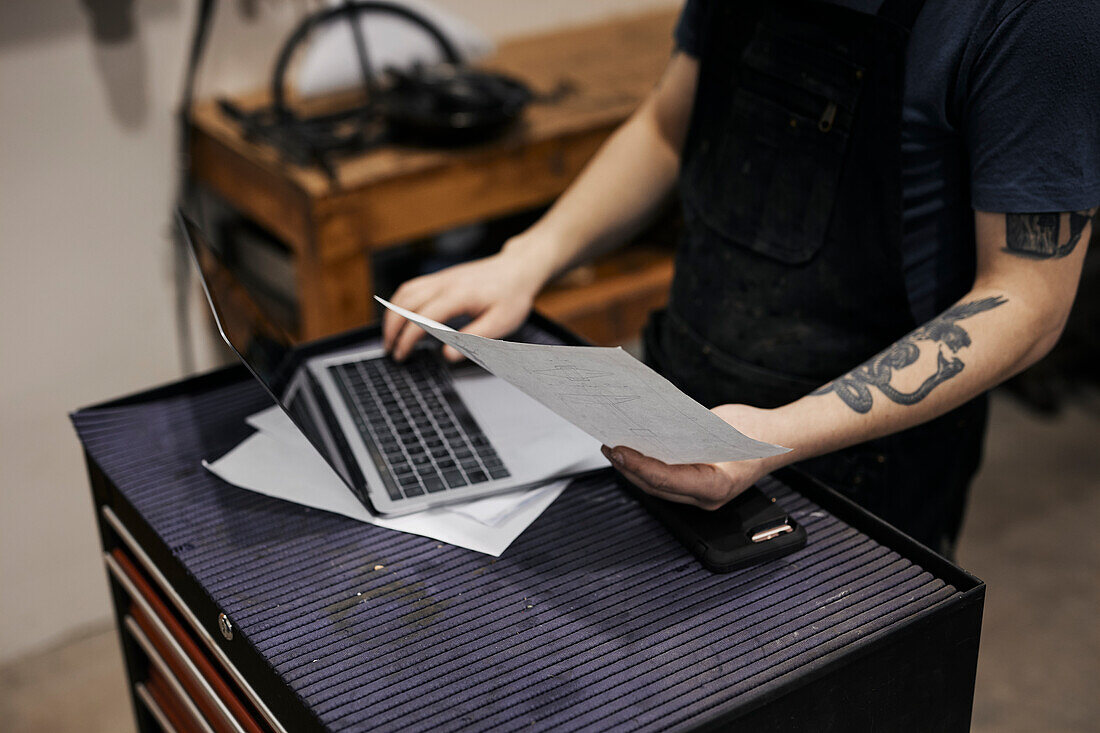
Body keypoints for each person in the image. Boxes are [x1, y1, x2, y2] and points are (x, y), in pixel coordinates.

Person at [382, 0, 1099, 556]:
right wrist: (528, 257)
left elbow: (1027, 298)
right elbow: (669, 126)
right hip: (678, 396)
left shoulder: (1037, 18)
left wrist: (774, 435)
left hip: (861, 472)